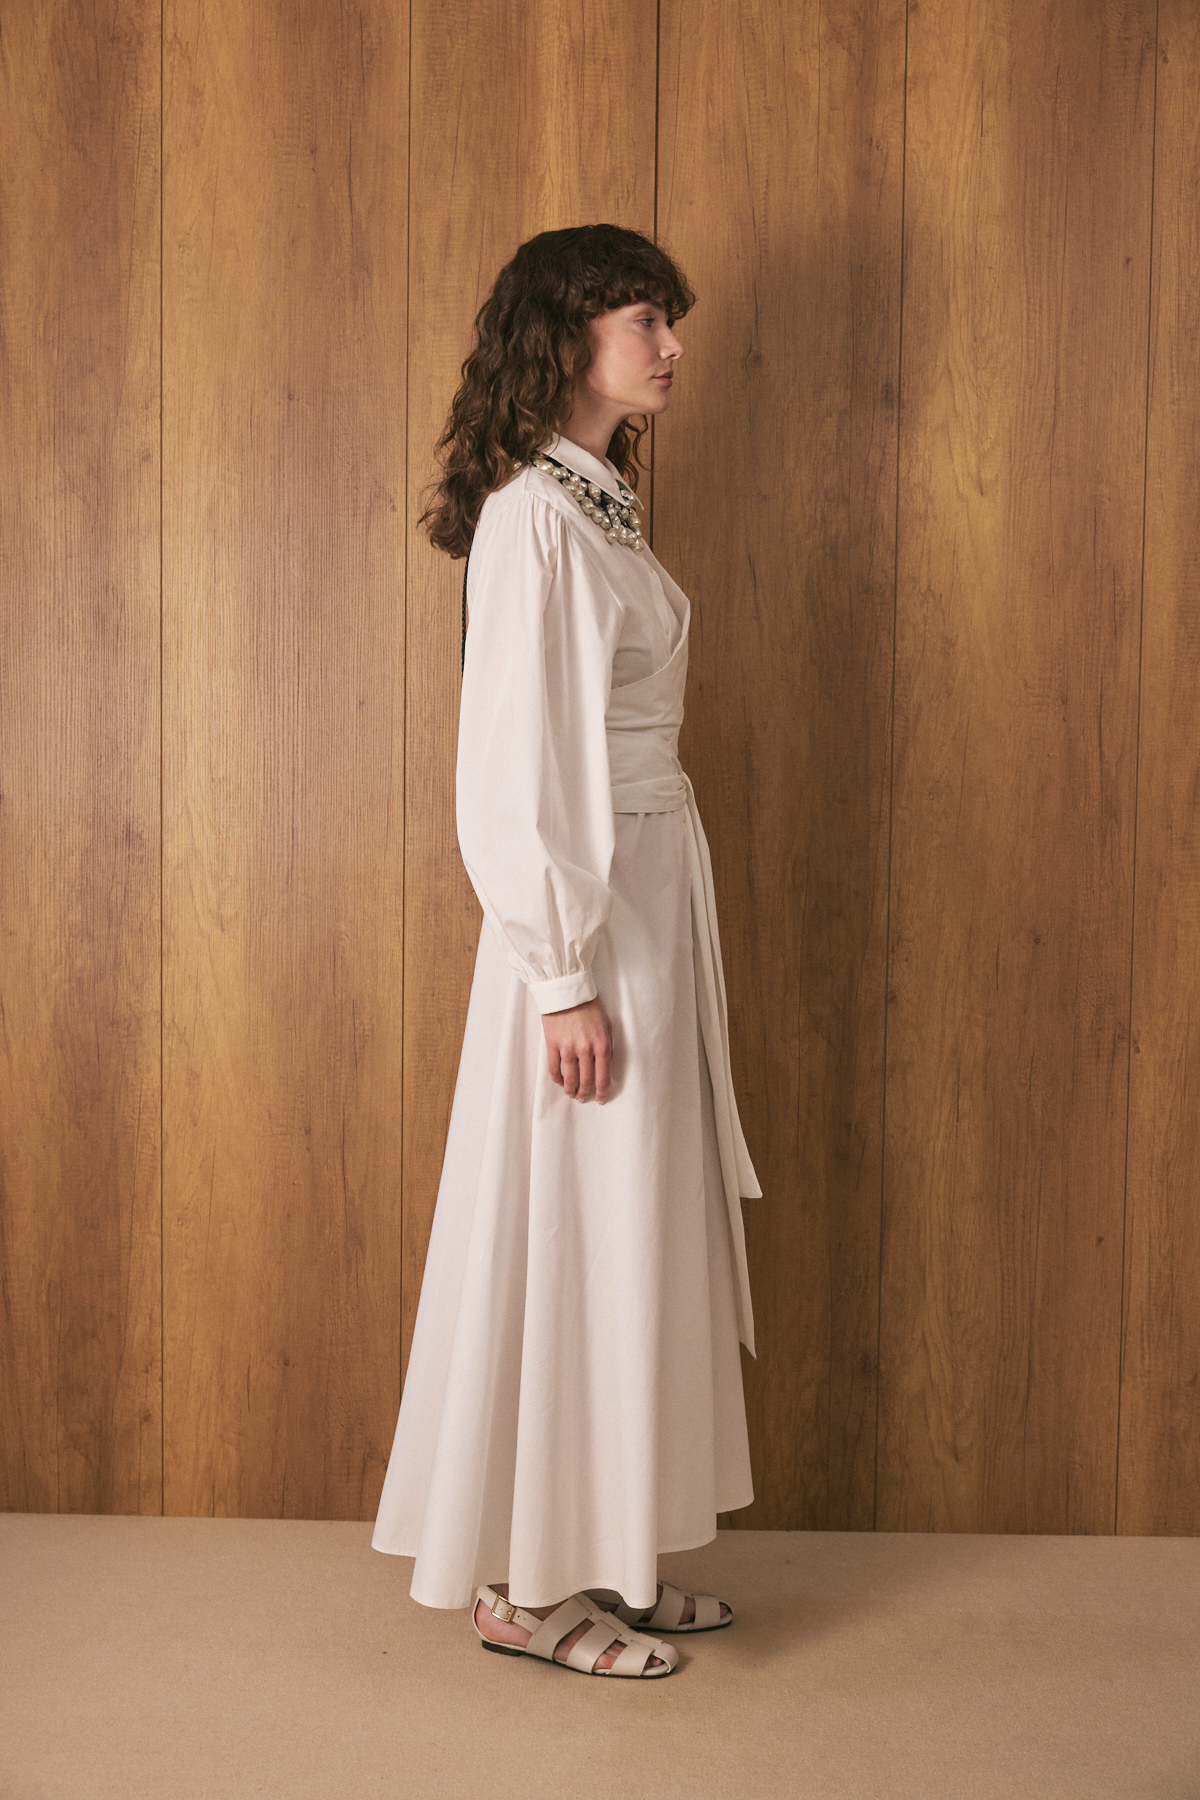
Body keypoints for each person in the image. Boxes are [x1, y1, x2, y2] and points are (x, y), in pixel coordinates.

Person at [371, 223, 760, 1680]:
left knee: (626, 1226)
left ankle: (608, 1552)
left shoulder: (598, 505)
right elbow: (508, 768)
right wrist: (560, 973)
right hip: (590, 921)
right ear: (567, 335)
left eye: (668, 318)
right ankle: (522, 1590)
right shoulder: (535, 515)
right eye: (644, 318)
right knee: (566, 1226)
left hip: (641, 898)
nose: (671, 344)